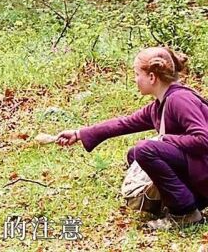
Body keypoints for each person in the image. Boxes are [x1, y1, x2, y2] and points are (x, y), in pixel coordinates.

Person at [56, 46, 208, 230]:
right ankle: (176, 202)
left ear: (152, 77)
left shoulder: (180, 100)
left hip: (203, 172)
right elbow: (124, 123)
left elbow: (203, 139)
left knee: (146, 149)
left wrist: (165, 140)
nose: (135, 79)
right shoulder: (160, 105)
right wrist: (78, 133)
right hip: (197, 171)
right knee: (135, 154)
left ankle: (185, 213)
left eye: (137, 74)